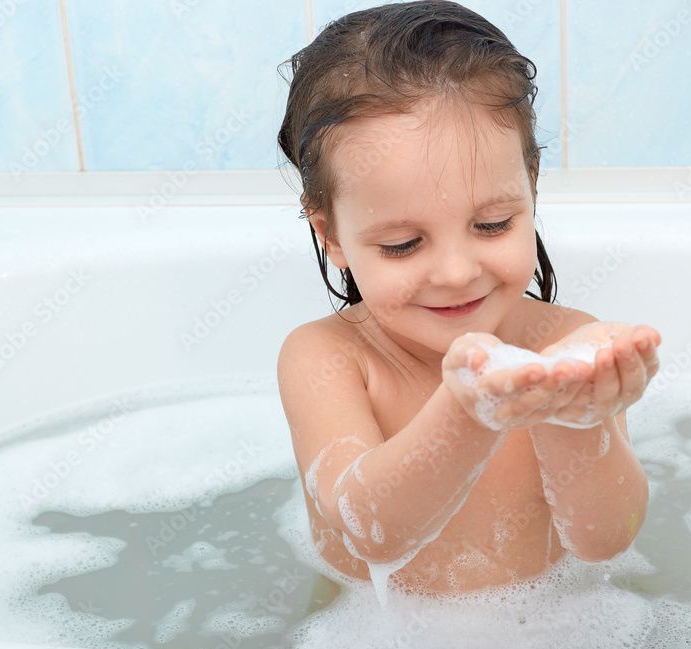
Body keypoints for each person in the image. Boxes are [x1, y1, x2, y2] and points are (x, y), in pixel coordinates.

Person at [276, 0, 660, 596]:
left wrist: (576, 417)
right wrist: (469, 410)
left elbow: (605, 540)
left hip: (553, 629)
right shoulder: (328, 358)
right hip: (368, 642)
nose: (456, 273)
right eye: (403, 245)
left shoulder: (566, 343)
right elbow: (370, 531)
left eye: (492, 225)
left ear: (531, 186)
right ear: (331, 235)